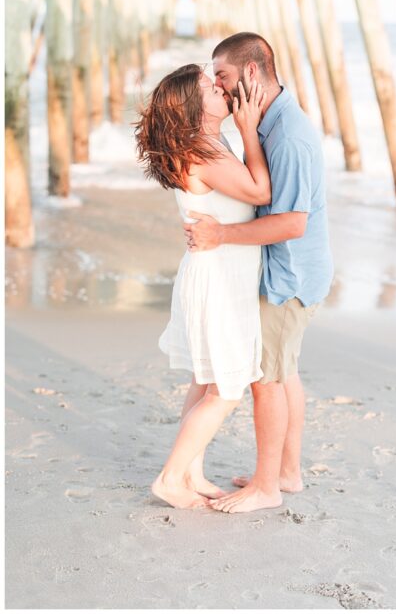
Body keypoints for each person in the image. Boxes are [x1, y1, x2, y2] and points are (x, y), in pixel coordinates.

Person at [187, 32, 334, 514]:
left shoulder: (286, 135)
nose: (220, 88)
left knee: (264, 378)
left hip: (289, 277)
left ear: (251, 72)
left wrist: (220, 236)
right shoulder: (267, 121)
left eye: (224, 77)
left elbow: (292, 223)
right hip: (296, 272)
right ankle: (285, 473)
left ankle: (267, 487)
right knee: (284, 372)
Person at [135, 63, 272, 509]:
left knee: (206, 378)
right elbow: (259, 192)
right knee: (227, 390)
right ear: (194, 107)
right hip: (218, 279)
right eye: (209, 87)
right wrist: (250, 130)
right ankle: (171, 477)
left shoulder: (206, 142)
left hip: (215, 272)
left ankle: (190, 470)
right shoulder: (204, 151)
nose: (220, 88)